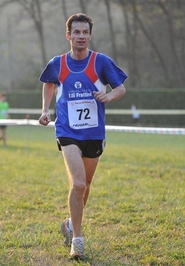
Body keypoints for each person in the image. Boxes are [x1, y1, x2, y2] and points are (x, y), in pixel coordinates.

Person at [38, 13, 127, 259]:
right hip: (67, 130)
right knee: (77, 183)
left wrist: (109, 96)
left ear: (90, 35)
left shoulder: (101, 62)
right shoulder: (58, 63)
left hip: (94, 132)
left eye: (85, 32)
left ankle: (68, 224)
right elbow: (48, 83)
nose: (81, 36)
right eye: (76, 32)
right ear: (68, 35)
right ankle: (77, 240)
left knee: (85, 185)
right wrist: (45, 110)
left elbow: (121, 87)